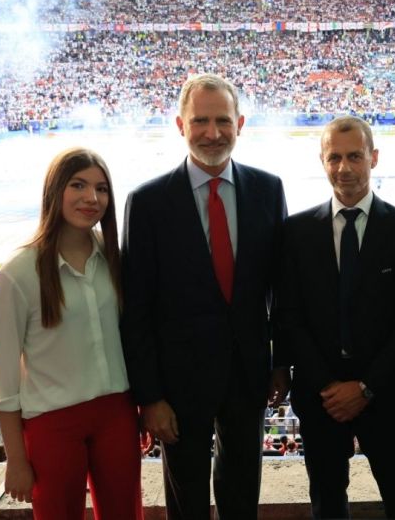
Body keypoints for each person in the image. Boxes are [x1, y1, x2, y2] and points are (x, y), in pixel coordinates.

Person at [120, 73, 288, 519]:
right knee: (185, 499)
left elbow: (281, 289)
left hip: (248, 373)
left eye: (222, 121)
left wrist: (279, 362)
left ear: (241, 123)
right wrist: (150, 396)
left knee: (242, 493)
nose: (212, 133)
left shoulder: (268, 189)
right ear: (180, 125)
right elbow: (135, 308)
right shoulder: (149, 202)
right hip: (178, 384)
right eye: (200, 121)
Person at [276, 116, 395, 518]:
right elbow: (288, 317)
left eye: (354, 156)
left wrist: (365, 386)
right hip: (321, 397)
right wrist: (328, 385)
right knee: (327, 503)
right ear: (322, 161)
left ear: (373, 158)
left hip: (389, 392)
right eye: (335, 158)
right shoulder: (296, 233)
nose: (344, 168)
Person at [0, 147, 142, 518]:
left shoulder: (115, 258)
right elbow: (4, 380)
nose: (92, 198)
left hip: (117, 414)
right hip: (52, 423)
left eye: (102, 189)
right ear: (55, 190)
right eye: (78, 185)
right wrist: (16, 460)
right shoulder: (17, 274)